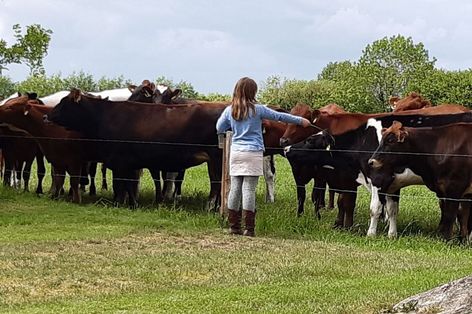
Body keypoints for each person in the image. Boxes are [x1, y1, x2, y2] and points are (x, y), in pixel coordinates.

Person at [216, 77, 311, 237]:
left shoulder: (230, 110)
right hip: (253, 152)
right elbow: (280, 117)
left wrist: (231, 127)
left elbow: (219, 127)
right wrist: (301, 120)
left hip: (236, 152)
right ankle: (249, 228)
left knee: (235, 188)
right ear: (253, 92)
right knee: (249, 189)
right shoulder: (258, 109)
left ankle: (233, 226)